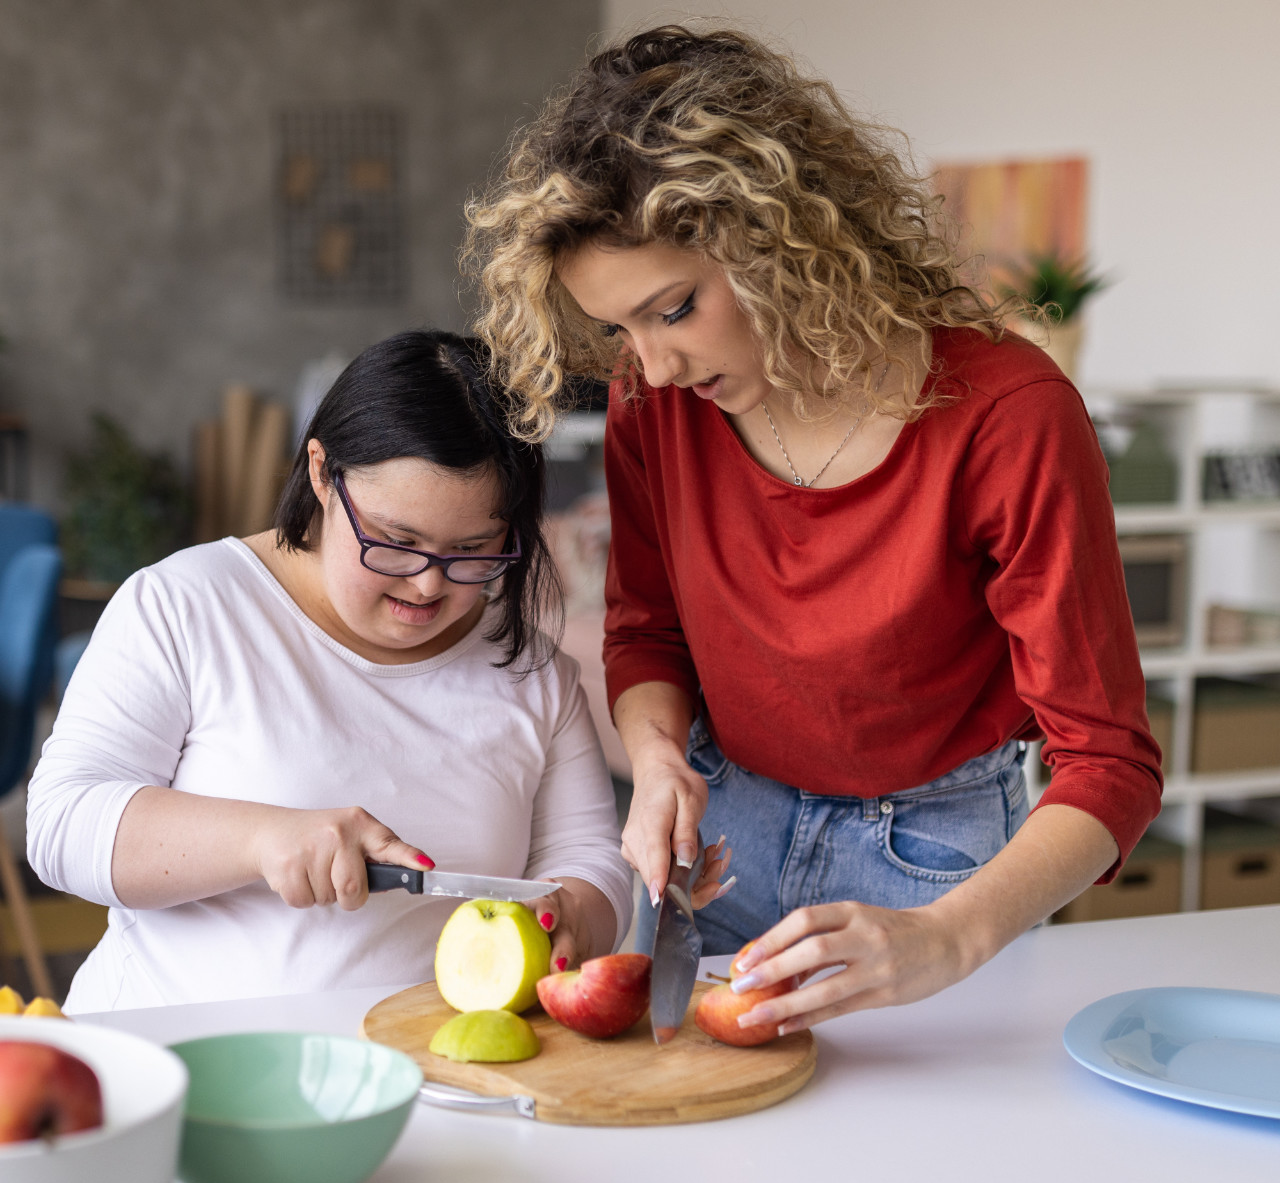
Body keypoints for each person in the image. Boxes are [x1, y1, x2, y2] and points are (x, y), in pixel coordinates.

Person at [463, 26, 1162, 1035]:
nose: (651, 366)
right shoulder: (653, 406)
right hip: (722, 835)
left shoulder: (1006, 413)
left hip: (937, 859)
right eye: (620, 329)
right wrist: (657, 757)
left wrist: (949, 936)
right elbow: (646, 628)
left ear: (778, 236)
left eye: (676, 308)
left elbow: (1109, 760)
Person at [27, 331, 633, 1012]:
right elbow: (62, 826)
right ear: (322, 473)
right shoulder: (188, 605)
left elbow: (586, 857)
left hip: (434, 1073)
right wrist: (263, 838)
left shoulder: (530, 670)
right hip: (177, 1061)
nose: (429, 585)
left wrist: (577, 913)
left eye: (472, 551)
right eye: (397, 543)